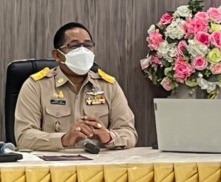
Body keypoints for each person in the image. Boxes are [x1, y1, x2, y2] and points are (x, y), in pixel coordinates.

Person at [14, 22, 138, 151]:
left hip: (99, 161)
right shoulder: (36, 86)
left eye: (88, 45)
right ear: (57, 55)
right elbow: (24, 137)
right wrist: (63, 139)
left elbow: (129, 132)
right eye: (75, 46)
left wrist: (108, 137)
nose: (83, 51)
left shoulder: (108, 86)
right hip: (55, 162)